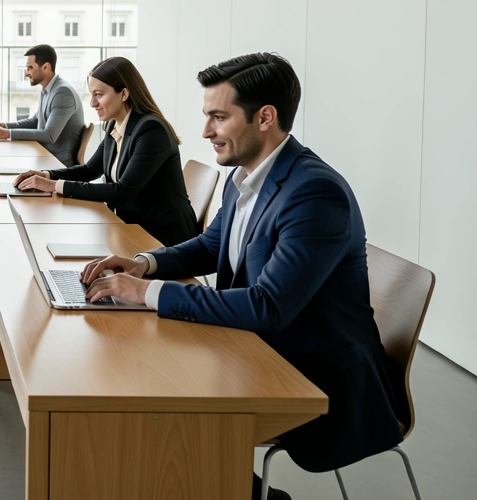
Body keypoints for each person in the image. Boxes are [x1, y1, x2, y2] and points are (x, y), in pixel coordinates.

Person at [81, 53, 407, 500]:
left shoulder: (314, 192)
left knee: (159, 403)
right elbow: (213, 246)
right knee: (142, 385)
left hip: (313, 378)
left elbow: (267, 307)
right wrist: (145, 264)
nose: (205, 131)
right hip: (256, 348)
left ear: (265, 117)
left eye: (219, 117)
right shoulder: (246, 175)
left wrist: (147, 292)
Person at [14, 57, 195, 246]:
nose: (92, 103)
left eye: (99, 95)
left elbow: (122, 191)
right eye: (92, 95)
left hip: (163, 237)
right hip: (131, 227)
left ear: (124, 93)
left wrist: (54, 186)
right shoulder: (114, 125)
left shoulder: (151, 131)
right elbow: (89, 170)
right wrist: (46, 175)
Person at [0, 44, 84, 166]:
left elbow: (49, 135)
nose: (26, 73)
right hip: (45, 155)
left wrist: (7, 133)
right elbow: (35, 121)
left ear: (46, 67)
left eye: (30, 67)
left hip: (58, 163)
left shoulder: (63, 93)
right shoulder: (48, 89)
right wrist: (5, 126)